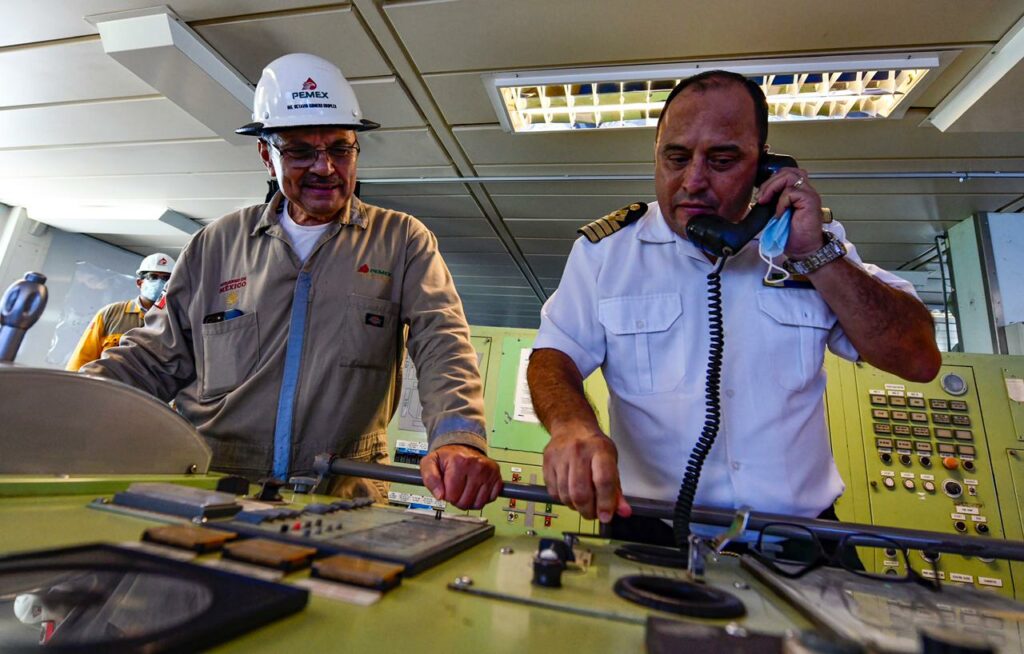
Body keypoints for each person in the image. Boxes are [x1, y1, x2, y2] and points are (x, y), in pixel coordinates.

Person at [527, 70, 941, 544]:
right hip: (652, 530)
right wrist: (572, 426)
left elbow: (918, 357)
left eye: (722, 160)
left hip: (798, 538)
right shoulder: (607, 254)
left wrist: (816, 256)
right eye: (675, 158)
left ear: (765, 167)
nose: (693, 181)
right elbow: (553, 356)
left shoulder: (813, 247)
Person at [82, 53, 502, 509]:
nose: (324, 167)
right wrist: (60, 403)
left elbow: (443, 341)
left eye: (340, 148)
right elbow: (152, 359)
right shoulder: (215, 244)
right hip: (216, 482)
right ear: (267, 154)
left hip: (342, 488)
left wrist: (458, 437)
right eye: (301, 151)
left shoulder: (400, 241)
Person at [66, 253, 175, 371]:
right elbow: (81, 359)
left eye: (166, 278)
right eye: (153, 277)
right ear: (139, 283)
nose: (159, 283)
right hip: (107, 386)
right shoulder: (110, 313)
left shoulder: (176, 320)